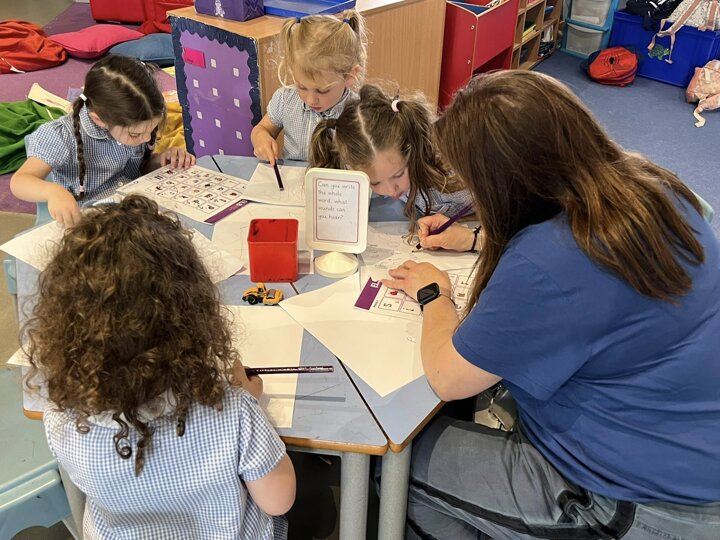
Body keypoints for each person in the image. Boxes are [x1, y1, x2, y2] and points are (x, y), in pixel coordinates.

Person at [382, 71, 720, 539]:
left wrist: (433, 293)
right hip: (694, 453)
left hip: (631, 498)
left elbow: (447, 377)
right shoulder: (658, 188)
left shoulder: (546, 262)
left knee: (399, 463)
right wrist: (476, 238)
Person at [24, 195, 296, 539]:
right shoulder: (233, 410)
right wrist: (250, 402)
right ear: (192, 314)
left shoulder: (61, 418)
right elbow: (278, 501)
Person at [10, 55, 195, 227]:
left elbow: (138, 168)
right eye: (136, 135)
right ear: (99, 120)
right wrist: (52, 192)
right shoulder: (60, 135)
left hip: (131, 209)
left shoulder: (132, 126)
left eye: (151, 129)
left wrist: (161, 160)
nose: (146, 138)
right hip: (91, 221)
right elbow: (20, 181)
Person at [309, 84, 472, 231]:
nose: (391, 190)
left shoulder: (454, 172)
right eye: (375, 182)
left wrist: (472, 238)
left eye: (398, 174)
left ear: (412, 149)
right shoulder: (355, 164)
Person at [250, 10, 367, 165]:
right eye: (302, 87)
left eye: (322, 90)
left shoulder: (359, 113)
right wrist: (261, 139)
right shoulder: (285, 99)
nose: (311, 100)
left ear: (349, 76)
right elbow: (262, 128)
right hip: (291, 178)